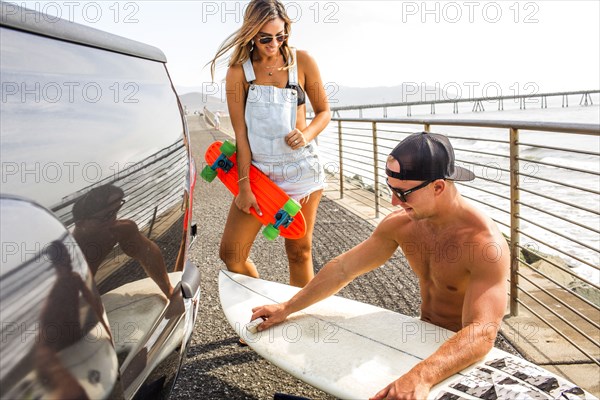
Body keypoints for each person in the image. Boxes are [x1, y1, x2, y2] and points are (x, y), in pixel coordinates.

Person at [251, 132, 510, 399]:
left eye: (402, 192)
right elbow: (343, 269)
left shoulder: (483, 244)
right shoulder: (402, 223)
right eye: (390, 188)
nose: (394, 201)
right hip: (419, 338)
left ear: (438, 187)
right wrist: (287, 307)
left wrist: (421, 376)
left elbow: (482, 333)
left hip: (462, 357)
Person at [209, 0, 331, 287]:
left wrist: (307, 134)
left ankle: (299, 323)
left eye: (281, 35)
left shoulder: (303, 62)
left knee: (299, 252)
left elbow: (324, 112)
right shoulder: (239, 72)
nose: (274, 43)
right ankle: (264, 306)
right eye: (265, 38)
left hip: (302, 172)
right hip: (259, 173)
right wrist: (243, 186)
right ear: (251, 33)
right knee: (231, 253)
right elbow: (240, 135)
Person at [72, 184, 173, 298]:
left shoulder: (116, 231)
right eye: (105, 217)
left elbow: (147, 252)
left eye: (115, 211)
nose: (113, 220)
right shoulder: (70, 255)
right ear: (80, 223)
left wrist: (169, 291)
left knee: (128, 227)